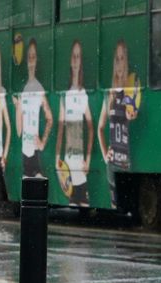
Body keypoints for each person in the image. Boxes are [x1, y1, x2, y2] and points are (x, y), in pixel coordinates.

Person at [97, 39, 137, 205]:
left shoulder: (132, 89)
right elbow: (100, 127)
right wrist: (105, 153)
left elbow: (134, 116)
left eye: (123, 58)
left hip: (127, 162)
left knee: (127, 205)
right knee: (115, 204)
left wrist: (132, 116)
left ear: (126, 61)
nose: (120, 62)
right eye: (117, 58)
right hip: (113, 164)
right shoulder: (110, 94)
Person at [55, 40, 94, 206]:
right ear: (71, 61)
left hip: (80, 165)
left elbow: (92, 129)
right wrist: (58, 158)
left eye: (79, 56)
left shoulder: (84, 95)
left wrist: (88, 160)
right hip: (68, 166)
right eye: (74, 56)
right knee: (73, 204)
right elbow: (60, 130)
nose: (76, 60)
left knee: (84, 203)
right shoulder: (65, 96)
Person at [13, 38, 53, 178]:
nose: (31, 60)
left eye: (33, 56)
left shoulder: (40, 89)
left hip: (36, 156)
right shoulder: (22, 90)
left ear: (36, 61)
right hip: (25, 158)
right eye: (29, 56)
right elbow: (19, 131)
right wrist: (18, 107)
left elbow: (50, 118)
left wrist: (43, 141)